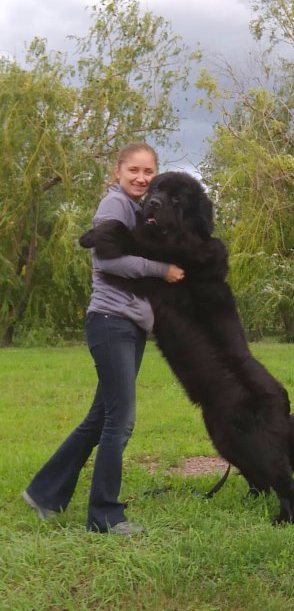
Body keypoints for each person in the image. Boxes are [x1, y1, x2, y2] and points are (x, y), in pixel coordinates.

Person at [22, 142, 184, 536]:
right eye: (134, 170)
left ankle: (44, 493)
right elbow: (108, 259)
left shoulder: (138, 209)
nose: (141, 178)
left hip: (127, 325)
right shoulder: (114, 205)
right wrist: (161, 270)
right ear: (118, 172)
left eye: (148, 171)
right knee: (120, 420)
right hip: (112, 322)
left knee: (100, 418)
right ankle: (104, 515)